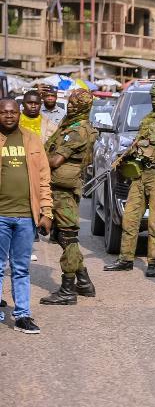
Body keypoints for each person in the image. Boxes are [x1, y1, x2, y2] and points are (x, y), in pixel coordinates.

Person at [103, 79, 155, 277]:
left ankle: (153, 262)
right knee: (129, 217)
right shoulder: (147, 120)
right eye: (153, 97)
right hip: (141, 174)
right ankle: (125, 259)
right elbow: (140, 144)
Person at [39, 89, 98, 305]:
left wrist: (35, 159)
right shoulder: (70, 123)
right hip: (58, 187)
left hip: (62, 190)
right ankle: (83, 281)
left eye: (74, 104)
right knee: (63, 236)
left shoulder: (78, 130)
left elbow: (55, 160)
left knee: (68, 237)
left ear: (83, 107)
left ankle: (67, 290)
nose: (70, 106)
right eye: (69, 103)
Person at [0, 98, 53, 333]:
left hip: (25, 216)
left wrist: (46, 211)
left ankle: (22, 315)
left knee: (21, 267)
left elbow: (44, 179)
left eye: (12, 112)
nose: (8, 116)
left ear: (19, 113)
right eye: (4, 112)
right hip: (0, 215)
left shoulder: (32, 139)